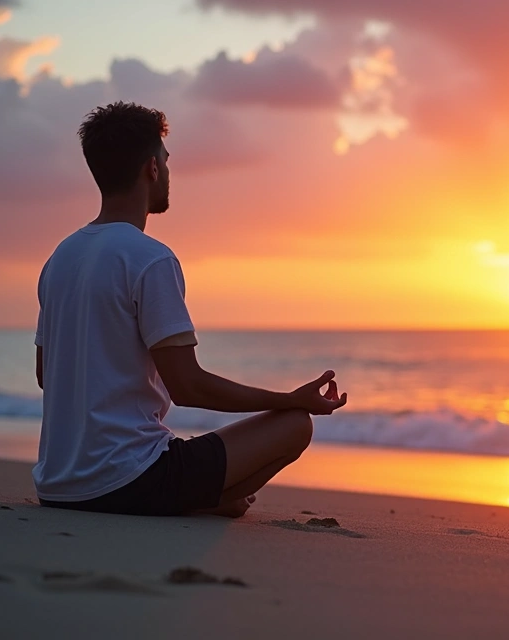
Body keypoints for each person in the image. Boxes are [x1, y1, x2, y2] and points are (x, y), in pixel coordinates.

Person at [33, 101, 347, 518]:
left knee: (210, 473)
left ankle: (217, 496)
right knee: (294, 426)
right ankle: (213, 497)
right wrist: (289, 399)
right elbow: (188, 387)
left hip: (57, 486)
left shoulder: (60, 258)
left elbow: (44, 374)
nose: (167, 170)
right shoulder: (150, 259)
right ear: (152, 168)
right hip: (130, 481)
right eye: (165, 159)